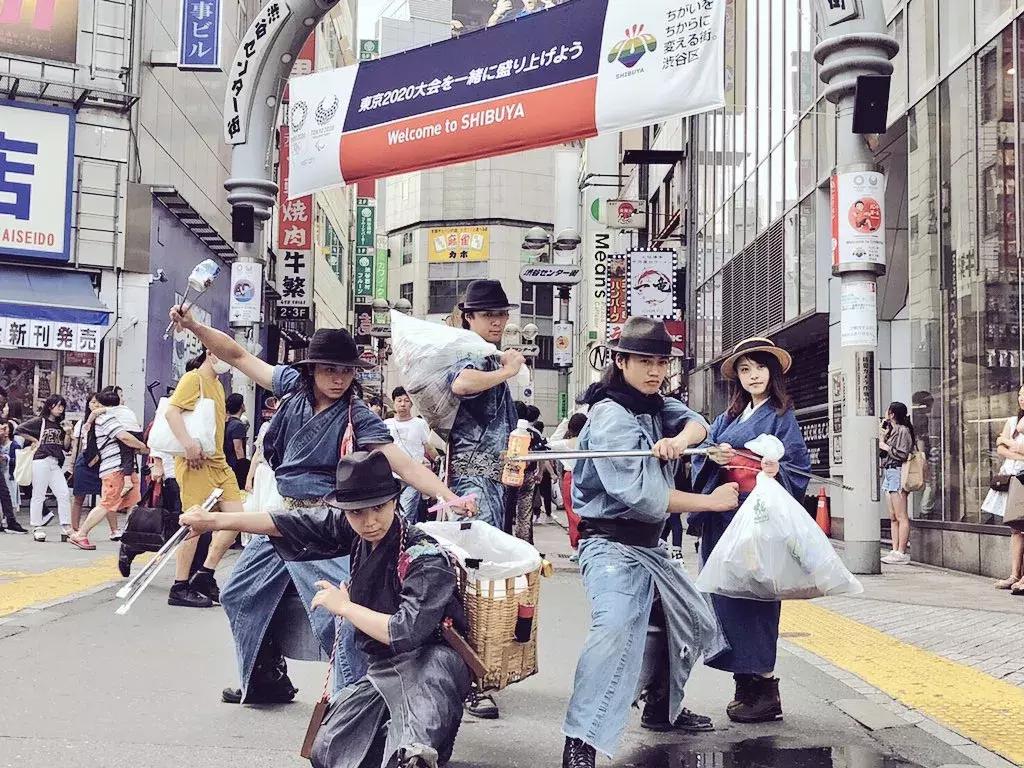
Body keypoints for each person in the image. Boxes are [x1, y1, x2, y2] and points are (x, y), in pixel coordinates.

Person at [167, 307, 471, 706]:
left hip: (325, 525)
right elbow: (237, 356)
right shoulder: (292, 387)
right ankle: (264, 674)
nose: (338, 378)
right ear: (312, 369)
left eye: (345, 371)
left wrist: (446, 496)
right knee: (240, 593)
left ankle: (357, 699)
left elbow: (403, 463)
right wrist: (193, 326)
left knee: (341, 616)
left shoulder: (358, 416)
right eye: (329, 369)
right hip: (281, 515)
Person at [181, 450, 472, 768]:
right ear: (345, 511)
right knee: (330, 750)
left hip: (433, 664)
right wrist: (213, 521)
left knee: (413, 751)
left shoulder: (425, 556)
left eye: (378, 508)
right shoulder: (356, 531)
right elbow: (290, 522)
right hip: (385, 668)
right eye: (357, 512)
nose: (370, 521)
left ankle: (416, 751)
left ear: (394, 502)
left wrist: (345, 607)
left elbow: (404, 631)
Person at [561, 318, 737, 768]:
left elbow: (698, 423)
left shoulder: (655, 405)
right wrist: (712, 502)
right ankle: (581, 740)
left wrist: (677, 441)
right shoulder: (610, 418)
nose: (655, 370)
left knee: (687, 619)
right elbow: (645, 498)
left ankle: (661, 706)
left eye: (661, 362)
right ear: (621, 362)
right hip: (611, 547)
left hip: (651, 548)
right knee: (616, 628)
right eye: (645, 361)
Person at [691, 337, 811, 724]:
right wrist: (713, 455)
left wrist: (777, 472)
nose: (753, 375)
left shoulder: (782, 414)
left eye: (759, 368)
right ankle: (745, 686)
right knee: (726, 598)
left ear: (771, 373)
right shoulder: (727, 418)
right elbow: (704, 454)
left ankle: (763, 688)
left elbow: (797, 463)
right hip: (724, 515)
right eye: (745, 370)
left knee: (757, 598)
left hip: (757, 520)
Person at [156, 348, 245, 607]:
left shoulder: (216, 385)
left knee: (236, 520)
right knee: (194, 524)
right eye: (224, 357)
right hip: (195, 463)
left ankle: (204, 574)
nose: (228, 363)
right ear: (210, 353)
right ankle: (179, 586)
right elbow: (172, 412)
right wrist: (188, 444)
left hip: (218, 463)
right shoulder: (193, 378)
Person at [68, 389, 150, 550]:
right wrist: (143, 447)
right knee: (107, 503)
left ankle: (130, 534)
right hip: (114, 468)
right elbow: (124, 437)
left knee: (133, 502)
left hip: (125, 467)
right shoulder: (105, 419)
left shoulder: (110, 416)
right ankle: (81, 534)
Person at [16, 395, 73, 542]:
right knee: (39, 494)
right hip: (40, 460)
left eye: (62, 406)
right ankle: (37, 527)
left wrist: (68, 433)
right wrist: (35, 440)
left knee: (64, 493)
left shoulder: (61, 425)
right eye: (58, 405)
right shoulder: (40, 421)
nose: (60, 409)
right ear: (50, 406)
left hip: (55, 463)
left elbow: (66, 448)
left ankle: (66, 526)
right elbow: (19, 429)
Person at [984, 387, 1024, 594]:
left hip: (1022, 479)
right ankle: (1015, 574)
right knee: (1016, 528)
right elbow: (999, 450)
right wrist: (1016, 452)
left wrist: (1008, 443)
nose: (1022, 398)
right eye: (1020, 395)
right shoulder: (1012, 421)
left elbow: (1004, 443)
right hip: (1015, 479)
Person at [384, 386, 438, 524]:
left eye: (406, 401)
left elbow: (429, 446)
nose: (402, 404)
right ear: (394, 402)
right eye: (399, 400)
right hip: (390, 477)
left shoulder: (419, 424)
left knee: (406, 514)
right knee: (389, 513)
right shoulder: (386, 424)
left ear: (411, 403)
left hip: (413, 478)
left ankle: (404, 541)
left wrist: (438, 460)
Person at [879, 401, 915, 565]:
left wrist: (886, 447)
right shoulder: (892, 430)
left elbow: (902, 454)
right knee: (893, 516)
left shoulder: (903, 431)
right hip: (889, 472)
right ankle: (894, 549)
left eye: (888, 411)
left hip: (897, 472)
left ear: (892, 413)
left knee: (901, 515)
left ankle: (901, 551)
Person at [548, 413, 586, 555]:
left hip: (570, 477)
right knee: (587, 511)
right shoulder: (590, 442)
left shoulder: (565, 444)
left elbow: (550, 443)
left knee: (571, 511)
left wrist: (563, 423)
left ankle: (576, 546)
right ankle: (587, 541)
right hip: (587, 477)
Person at [0, 420, 25, 533]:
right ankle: (10, 521)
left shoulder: (13, 444)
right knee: (5, 493)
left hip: (6, 472)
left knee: (5, 494)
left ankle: (10, 521)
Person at [224, 393, 249, 488]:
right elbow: (238, 449)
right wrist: (243, 468)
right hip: (235, 465)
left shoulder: (227, 423)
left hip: (227, 463)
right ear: (241, 406)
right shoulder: (238, 425)